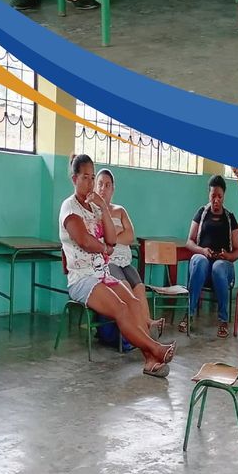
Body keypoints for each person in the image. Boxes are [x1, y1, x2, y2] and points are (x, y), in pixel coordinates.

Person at [60, 156, 175, 377]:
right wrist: (104, 248)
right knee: (121, 308)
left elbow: (112, 239)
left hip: (102, 274)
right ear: (74, 179)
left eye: (92, 178)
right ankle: (155, 349)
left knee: (133, 302)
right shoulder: (69, 207)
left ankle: (150, 360)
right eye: (85, 178)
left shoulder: (95, 208)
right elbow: (84, 241)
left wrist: (103, 208)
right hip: (82, 279)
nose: (90, 183)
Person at [93, 167, 162, 339]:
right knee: (125, 289)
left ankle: (147, 323)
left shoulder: (120, 210)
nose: (103, 189)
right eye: (100, 184)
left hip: (125, 261)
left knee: (139, 287)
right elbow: (99, 239)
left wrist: (112, 236)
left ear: (113, 189)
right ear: (95, 186)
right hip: (108, 262)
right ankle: (139, 331)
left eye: (107, 185)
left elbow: (130, 236)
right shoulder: (92, 211)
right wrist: (116, 233)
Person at [182, 175, 238, 338]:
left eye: (219, 196)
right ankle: (189, 314)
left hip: (223, 267)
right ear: (209, 194)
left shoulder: (230, 218)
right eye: (213, 195)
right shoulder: (201, 213)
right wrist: (202, 251)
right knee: (200, 261)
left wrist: (227, 256)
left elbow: (237, 250)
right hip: (202, 263)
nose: (216, 200)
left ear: (224, 196)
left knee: (218, 266)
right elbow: (189, 242)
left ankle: (223, 320)